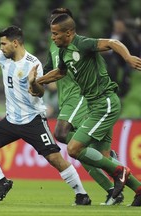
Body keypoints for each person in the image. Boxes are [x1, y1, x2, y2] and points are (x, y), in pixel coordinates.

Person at [0, 26, 91, 205]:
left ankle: (82, 194)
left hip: (32, 120)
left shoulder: (33, 64)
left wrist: (33, 82)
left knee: (54, 158)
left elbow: (39, 93)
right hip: (11, 120)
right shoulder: (3, 56)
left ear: (15, 43)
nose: (1, 47)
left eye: (4, 43)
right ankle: (2, 182)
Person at [28, 14, 141, 206]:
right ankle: (138, 190)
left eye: (56, 34)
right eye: (51, 33)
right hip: (94, 105)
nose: (52, 37)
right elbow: (60, 72)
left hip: (104, 103)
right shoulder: (63, 52)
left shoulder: (83, 44)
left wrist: (128, 57)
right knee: (102, 157)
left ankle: (119, 171)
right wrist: (38, 81)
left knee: (73, 148)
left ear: (69, 33)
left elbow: (113, 43)